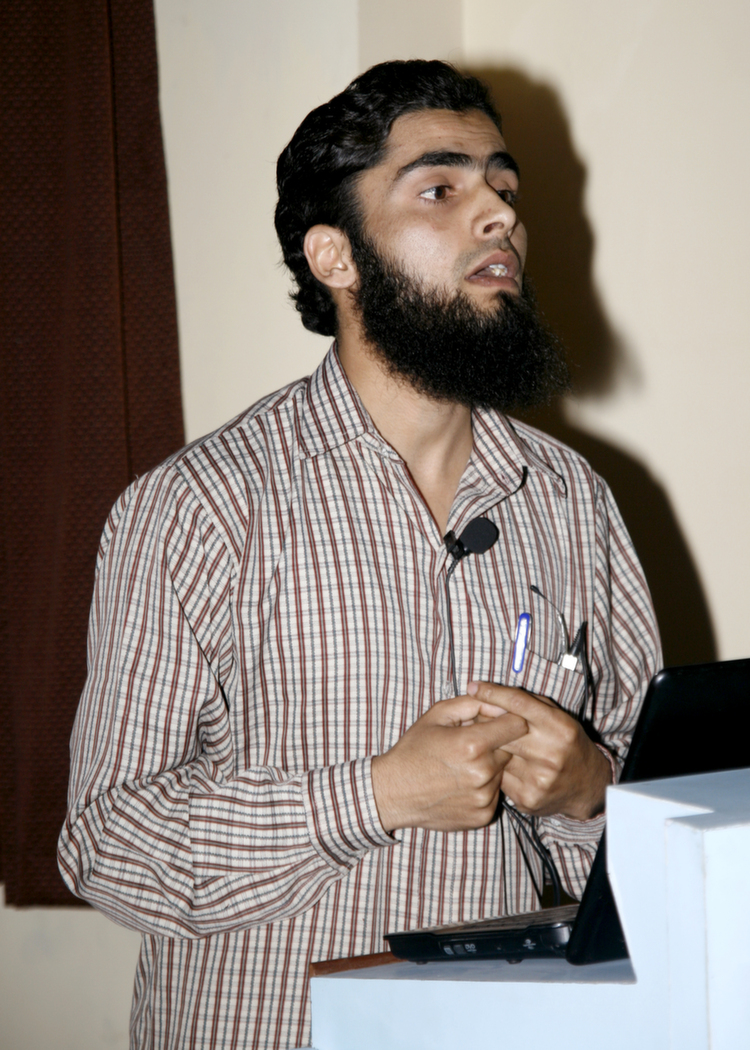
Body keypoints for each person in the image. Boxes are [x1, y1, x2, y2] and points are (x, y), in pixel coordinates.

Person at [59, 60, 660, 1050]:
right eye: (441, 188)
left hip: (508, 1030)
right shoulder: (201, 507)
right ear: (334, 256)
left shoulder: (571, 501)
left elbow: (652, 801)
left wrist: (590, 788)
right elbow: (107, 845)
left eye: (504, 187)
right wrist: (375, 796)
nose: (500, 216)